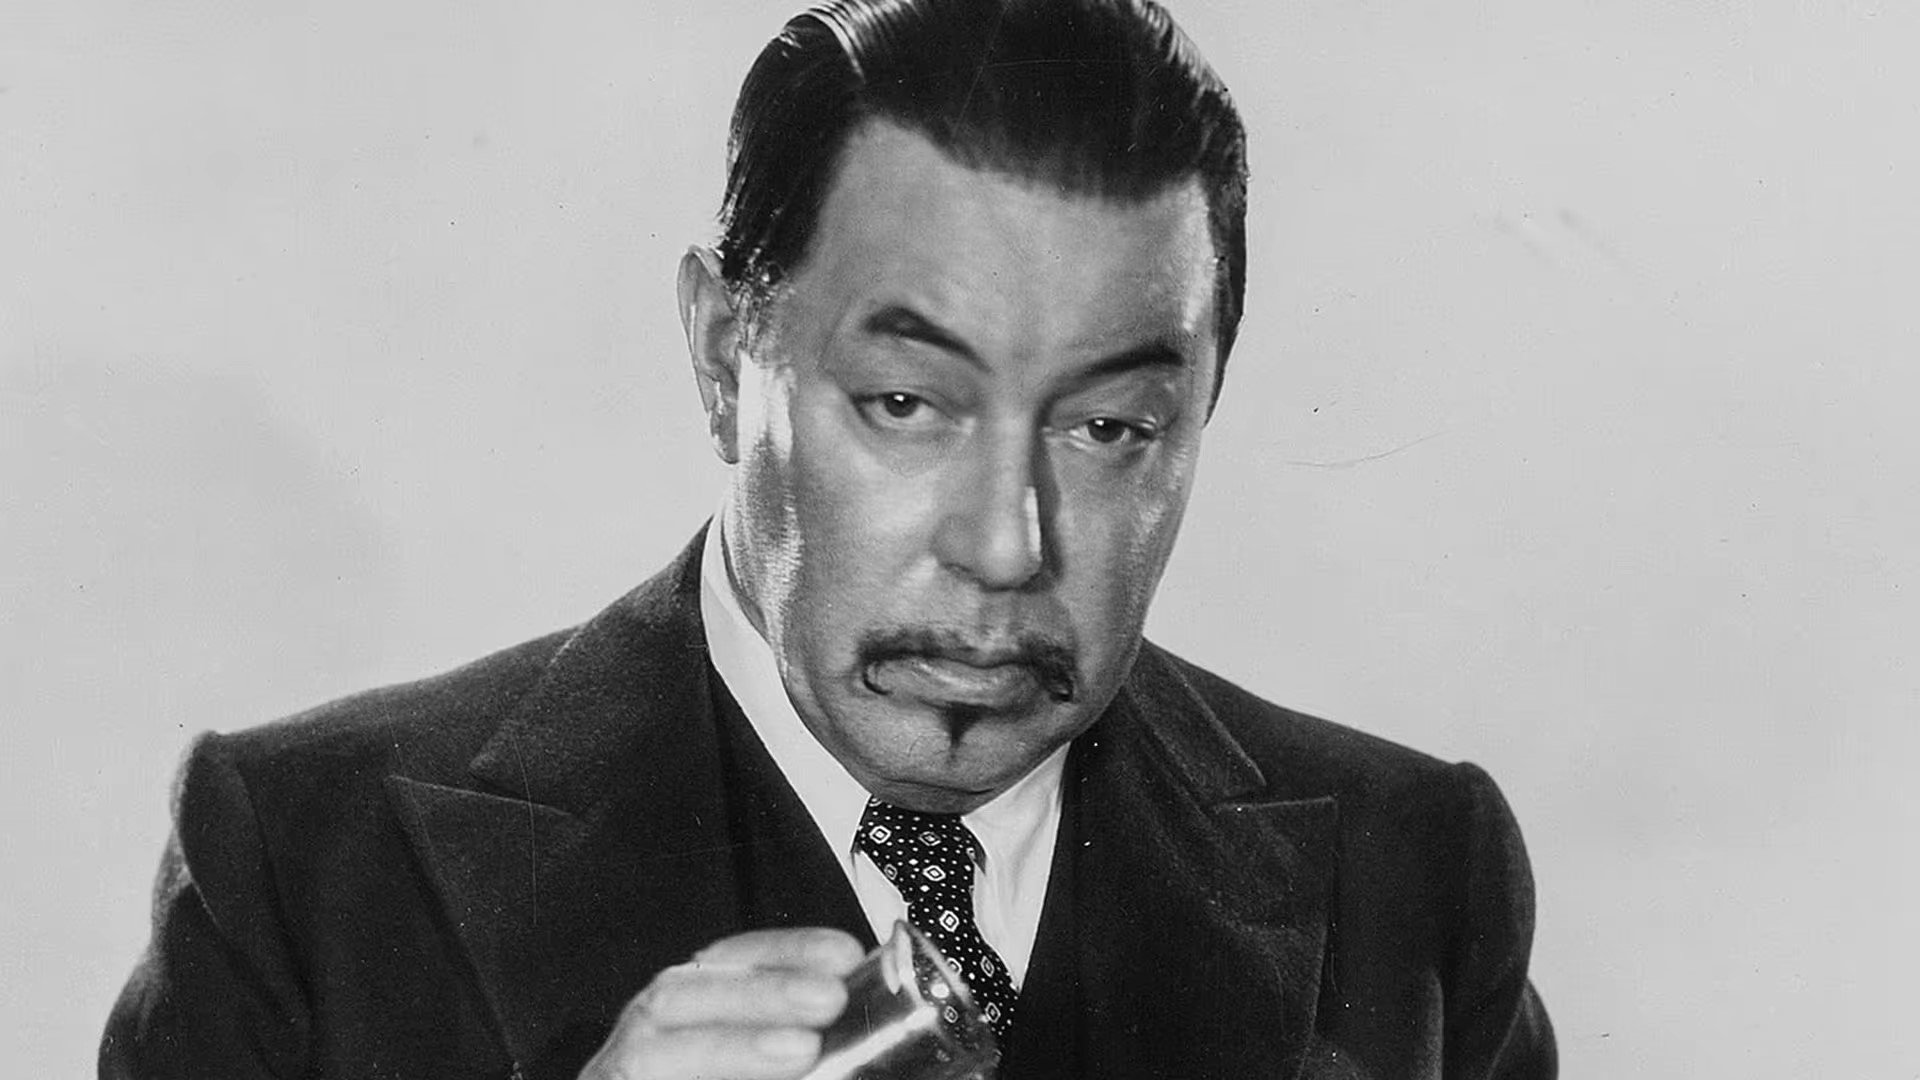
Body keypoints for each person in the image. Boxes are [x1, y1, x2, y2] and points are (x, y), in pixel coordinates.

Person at [101, 1, 1557, 1077]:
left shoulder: (1417, 882)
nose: (1007, 549)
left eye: (1111, 427)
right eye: (908, 404)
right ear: (721, 355)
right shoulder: (301, 867)